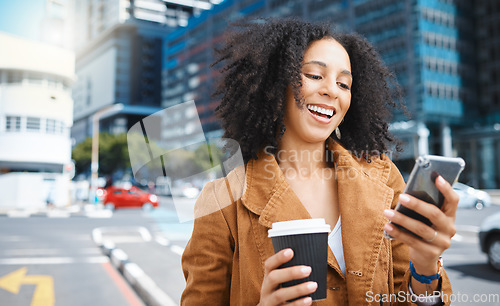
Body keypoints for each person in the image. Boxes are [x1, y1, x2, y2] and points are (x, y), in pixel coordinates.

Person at [181, 18, 458, 305]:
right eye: (314, 75)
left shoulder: (384, 178)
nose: (332, 91)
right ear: (275, 85)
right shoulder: (222, 201)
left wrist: (425, 267)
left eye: (344, 83)